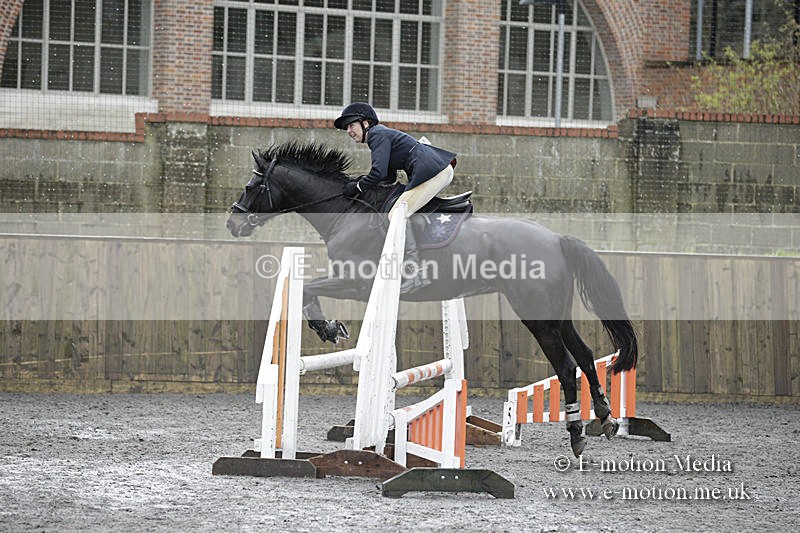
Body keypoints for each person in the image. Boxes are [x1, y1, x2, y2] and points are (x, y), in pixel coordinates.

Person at [333, 102, 456, 294]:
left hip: (436, 172)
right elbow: (386, 177)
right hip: (436, 170)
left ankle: (415, 274)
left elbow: (378, 172)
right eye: (346, 128)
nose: (348, 131)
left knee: (397, 214)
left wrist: (357, 186)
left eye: (351, 125)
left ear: (365, 123)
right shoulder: (380, 134)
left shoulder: (377, 135)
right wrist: (359, 183)